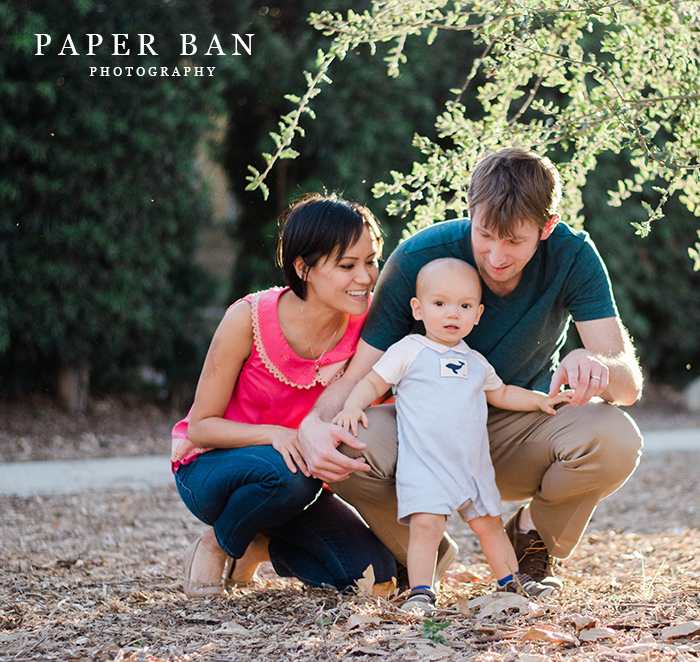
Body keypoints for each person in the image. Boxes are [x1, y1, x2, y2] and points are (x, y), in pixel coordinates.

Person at [297, 146, 644, 589]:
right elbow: (361, 371)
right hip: (425, 437)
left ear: (547, 227)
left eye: (515, 240)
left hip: (522, 430)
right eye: (485, 235)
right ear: (470, 210)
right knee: (340, 443)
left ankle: (533, 537)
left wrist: (595, 361)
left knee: (616, 437)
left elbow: (628, 385)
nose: (496, 256)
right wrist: (313, 424)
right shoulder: (419, 257)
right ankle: (422, 551)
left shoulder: (572, 255)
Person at [170, 194, 395, 598]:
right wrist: (275, 434)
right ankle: (216, 545)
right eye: (347, 265)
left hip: (298, 482)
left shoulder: (372, 324)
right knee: (289, 473)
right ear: (303, 267)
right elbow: (201, 428)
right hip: (215, 472)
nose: (365, 276)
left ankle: (256, 545)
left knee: (374, 578)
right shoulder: (248, 318)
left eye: (370, 260)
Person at [333, 258, 573, 612]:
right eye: (440, 303)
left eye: (463, 306)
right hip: (426, 463)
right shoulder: (409, 351)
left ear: (477, 314)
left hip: (472, 466)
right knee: (426, 527)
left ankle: (511, 581)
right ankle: (421, 591)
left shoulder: (476, 361)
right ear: (418, 308)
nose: (452, 314)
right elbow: (372, 380)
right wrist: (353, 405)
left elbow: (503, 393)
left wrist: (541, 401)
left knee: (489, 525)